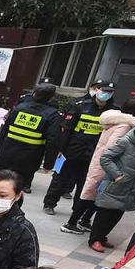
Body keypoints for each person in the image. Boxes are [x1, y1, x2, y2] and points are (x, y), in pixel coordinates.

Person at [87, 109, 135, 251]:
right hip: (117, 183)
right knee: (106, 212)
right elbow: (106, 157)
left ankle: (102, 237)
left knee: (117, 214)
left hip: (133, 186)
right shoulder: (127, 140)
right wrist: (116, 175)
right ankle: (95, 239)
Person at [73, 97, 135, 235]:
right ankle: (72, 222)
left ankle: (83, 220)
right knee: (91, 194)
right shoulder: (124, 126)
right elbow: (112, 148)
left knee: (95, 195)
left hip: (101, 163)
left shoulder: (116, 120)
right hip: (106, 166)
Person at [43, 79, 115, 216]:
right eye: (104, 90)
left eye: (110, 92)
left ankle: (77, 210)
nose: (106, 94)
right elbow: (66, 129)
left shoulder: (114, 111)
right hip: (70, 149)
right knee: (59, 177)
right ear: (97, 90)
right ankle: (49, 203)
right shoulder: (80, 105)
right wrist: (60, 149)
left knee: (85, 182)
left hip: (93, 153)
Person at [0, 82, 62, 193]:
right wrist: (49, 163)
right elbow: (52, 141)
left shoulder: (20, 108)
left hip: (7, 153)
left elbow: (4, 131)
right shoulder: (52, 115)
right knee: (16, 190)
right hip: (29, 158)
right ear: (51, 98)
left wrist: (0, 150)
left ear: (34, 94)